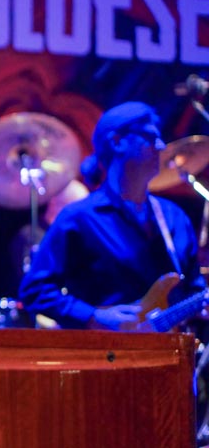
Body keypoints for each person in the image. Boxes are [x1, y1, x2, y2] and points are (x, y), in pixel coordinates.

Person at [19, 101, 205, 330]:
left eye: (160, 138)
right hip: (106, 349)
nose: (160, 146)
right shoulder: (79, 218)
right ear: (117, 142)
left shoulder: (174, 217)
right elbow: (35, 290)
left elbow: (194, 290)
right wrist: (94, 316)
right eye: (149, 137)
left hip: (172, 349)